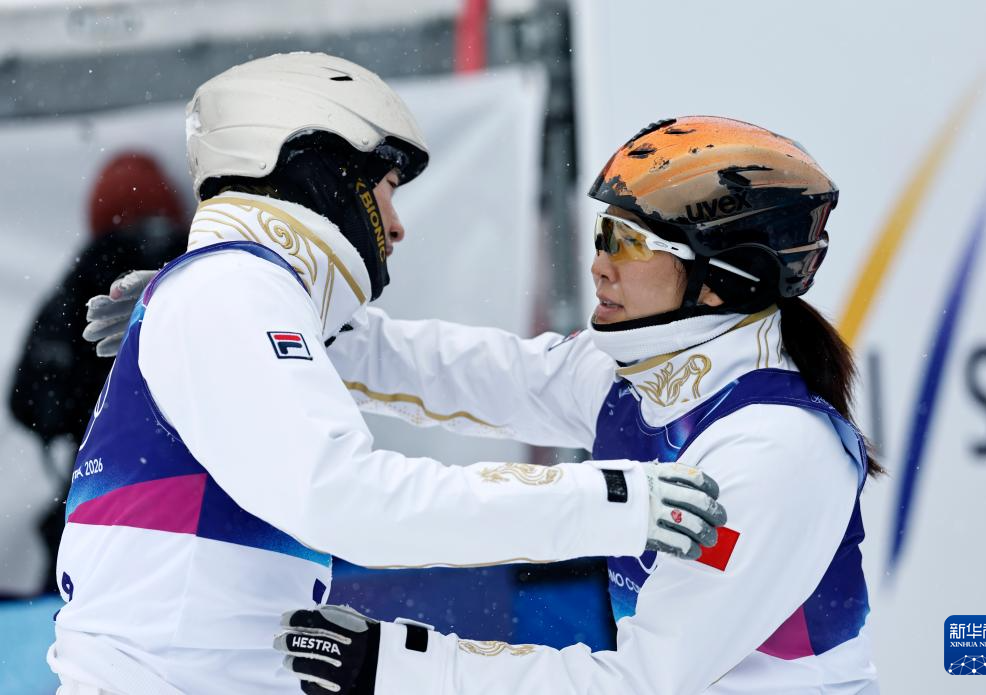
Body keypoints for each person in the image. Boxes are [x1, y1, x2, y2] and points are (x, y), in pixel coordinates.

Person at [50, 54, 728, 694]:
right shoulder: (230, 291)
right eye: (388, 190)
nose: (397, 227)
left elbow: (452, 372)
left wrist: (205, 306)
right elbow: (345, 498)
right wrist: (605, 502)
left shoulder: (230, 294)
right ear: (318, 172)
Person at [267, 117, 881, 693]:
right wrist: (279, 314)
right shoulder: (631, 374)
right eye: (601, 234)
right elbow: (470, 375)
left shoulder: (775, 451)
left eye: (627, 243)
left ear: (723, 278)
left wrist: (396, 667)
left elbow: (641, 682)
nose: (598, 266)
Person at [8, 151, 187, 594]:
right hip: (205, 476)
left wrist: (84, 414)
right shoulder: (201, 263)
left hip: (102, 482)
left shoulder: (81, 279)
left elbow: (30, 400)